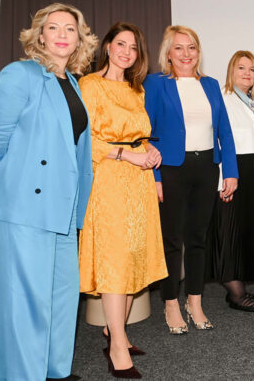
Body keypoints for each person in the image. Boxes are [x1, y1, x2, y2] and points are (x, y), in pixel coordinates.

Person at [0, 3, 95, 380]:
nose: (62, 34)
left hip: (62, 207)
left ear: (79, 39)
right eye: (53, 27)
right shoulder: (21, 74)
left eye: (70, 28)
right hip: (25, 207)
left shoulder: (72, 82)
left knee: (62, 296)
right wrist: (16, 183)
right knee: (25, 301)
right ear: (40, 35)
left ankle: (54, 370)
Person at [78, 22, 168, 377]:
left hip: (139, 181)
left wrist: (149, 149)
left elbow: (139, 135)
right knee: (115, 259)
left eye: (133, 47)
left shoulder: (136, 89)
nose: (127, 52)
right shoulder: (90, 85)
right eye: (121, 44)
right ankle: (116, 345)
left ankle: (115, 331)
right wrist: (125, 154)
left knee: (132, 257)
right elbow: (83, 140)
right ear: (108, 47)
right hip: (109, 180)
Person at [143, 25, 238, 334]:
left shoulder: (210, 84)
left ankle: (194, 301)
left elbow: (225, 131)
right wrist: (155, 177)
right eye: (179, 47)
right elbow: (146, 133)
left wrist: (231, 171)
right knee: (172, 240)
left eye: (192, 47)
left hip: (206, 167)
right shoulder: (156, 83)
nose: (186, 54)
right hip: (171, 168)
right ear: (168, 53)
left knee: (198, 239)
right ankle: (171, 302)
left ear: (198, 52)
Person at [208, 50, 254, 312]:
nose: (247, 73)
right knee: (229, 231)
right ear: (231, 71)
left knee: (245, 232)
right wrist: (222, 180)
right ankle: (236, 294)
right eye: (241, 68)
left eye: (252, 69)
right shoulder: (223, 99)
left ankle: (240, 288)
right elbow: (216, 141)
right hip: (233, 173)